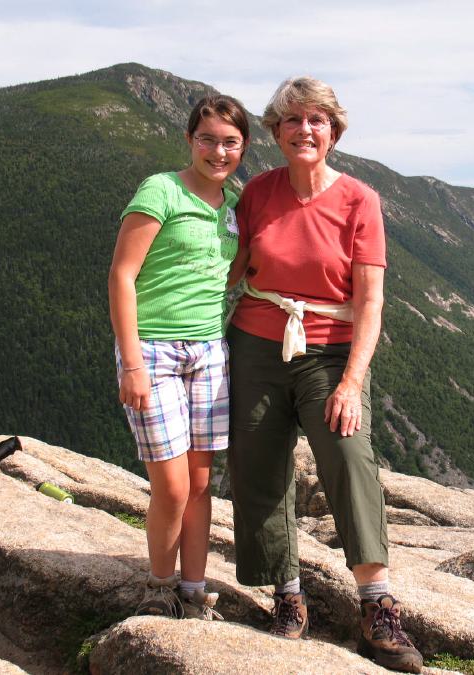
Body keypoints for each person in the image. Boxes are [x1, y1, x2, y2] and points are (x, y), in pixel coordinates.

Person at [226, 76, 423, 673]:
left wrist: (352, 382)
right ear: (276, 131)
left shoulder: (359, 200)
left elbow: (371, 301)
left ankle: (376, 603)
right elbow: (231, 271)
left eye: (317, 120)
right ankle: (286, 593)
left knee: (348, 455)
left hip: (330, 352)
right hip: (257, 344)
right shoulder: (255, 193)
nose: (305, 130)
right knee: (257, 464)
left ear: (334, 131)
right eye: (292, 120)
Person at [108, 94, 249, 620]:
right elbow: (123, 275)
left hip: (210, 350)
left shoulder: (232, 207)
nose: (218, 150)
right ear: (190, 140)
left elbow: (229, 272)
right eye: (208, 139)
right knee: (169, 486)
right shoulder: (161, 190)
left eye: (230, 142)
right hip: (153, 351)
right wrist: (133, 363)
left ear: (243, 148)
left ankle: (194, 589)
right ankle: (158, 586)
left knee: (198, 483)